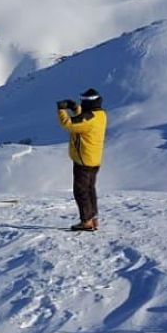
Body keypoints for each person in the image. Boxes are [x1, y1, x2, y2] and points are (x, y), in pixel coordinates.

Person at [56, 88, 106, 231]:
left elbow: (69, 124)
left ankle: (86, 222)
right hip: (93, 159)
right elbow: (85, 118)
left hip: (83, 160)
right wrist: (75, 108)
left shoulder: (89, 118)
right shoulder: (100, 114)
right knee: (90, 189)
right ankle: (93, 218)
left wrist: (61, 109)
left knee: (81, 191)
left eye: (83, 101)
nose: (82, 103)